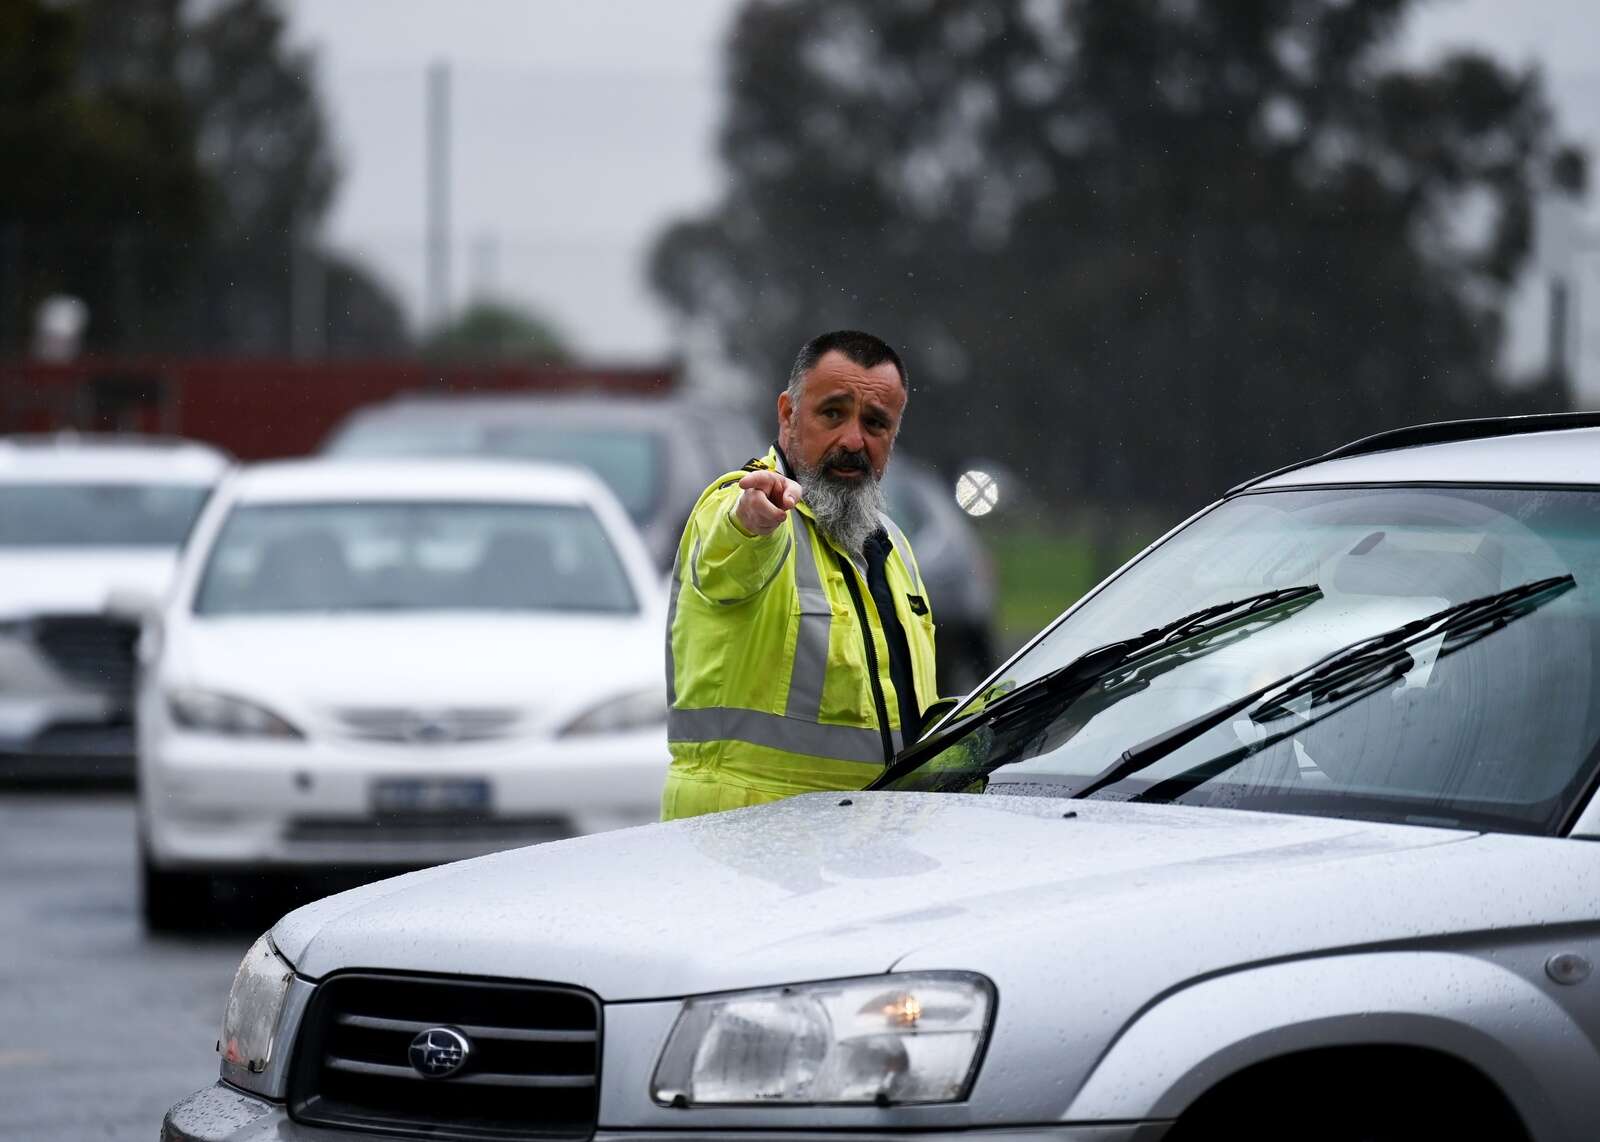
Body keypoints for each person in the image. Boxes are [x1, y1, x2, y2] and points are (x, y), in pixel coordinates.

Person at [661, 329, 942, 820]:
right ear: (788, 414)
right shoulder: (742, 503)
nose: (853, 440)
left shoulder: (893, 545)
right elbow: (727, 553)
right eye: (832, 413)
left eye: (875, 423)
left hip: (860, 840)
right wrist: (750, 522)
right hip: (741, 840)